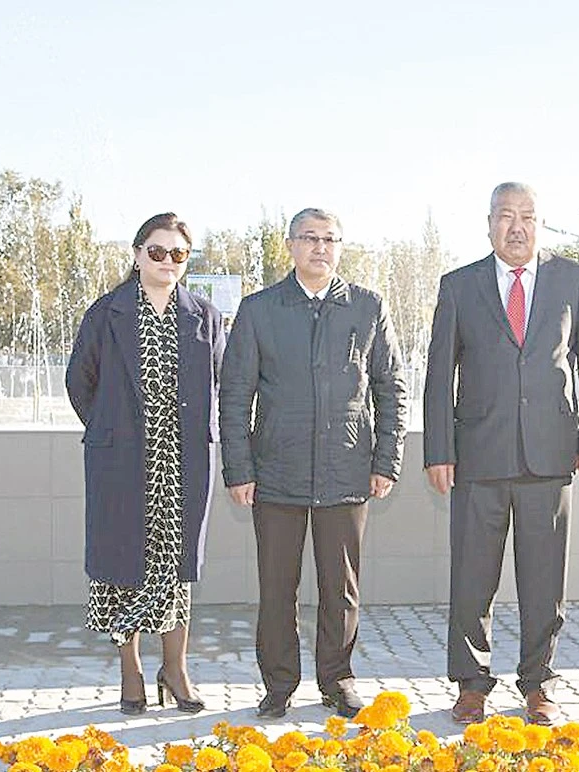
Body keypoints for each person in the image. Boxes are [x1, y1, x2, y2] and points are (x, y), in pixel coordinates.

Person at [423, 182, 579, 725]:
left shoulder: (573, 279)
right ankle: (471, 683)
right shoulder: (459, 286)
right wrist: (438, 449)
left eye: (528, 216)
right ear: (489, 224)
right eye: (506, 216)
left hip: (549, 456)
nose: (517, 226)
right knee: (471, 578)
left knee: (544, 582)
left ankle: (539, 683)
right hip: (478, 456)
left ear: (541, 224)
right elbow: (438, 374)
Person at [219, 208, 407, 720]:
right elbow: (234, 395)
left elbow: (391, 387)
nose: (320, 247)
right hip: (276, 471)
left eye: (330, 239)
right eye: (309, 238)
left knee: (340, 588)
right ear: (290, 245)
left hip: (347, 469)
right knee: (277, 588)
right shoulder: (259, 310)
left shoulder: (367, 306)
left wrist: (386, 460)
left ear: (340, 247)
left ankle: (337, 680)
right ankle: (278, 684)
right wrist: (239, 468)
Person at [66, 213, 224, 715]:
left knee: (174, 567)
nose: (167, 261)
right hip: (121, 460)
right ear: (137, 255)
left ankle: (175, 669)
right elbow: (79, 381)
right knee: (120, 566)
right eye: (157, 252)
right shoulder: (106, 312)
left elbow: (220, 383)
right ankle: (130, 671)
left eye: (178, 254)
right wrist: (109, 428)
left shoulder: (204, 316)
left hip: (181, 461)